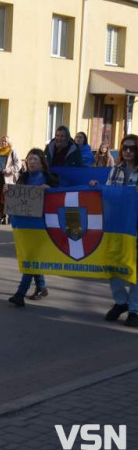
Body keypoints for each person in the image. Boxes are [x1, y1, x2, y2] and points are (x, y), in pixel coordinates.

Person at [90, 134, 138, 327]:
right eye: (125, 147)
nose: (127, 151)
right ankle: (121, 301)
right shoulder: (115, 170)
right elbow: (109, 194)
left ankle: (134, 308)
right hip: (116, 224)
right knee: (111, 264)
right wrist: (97, 189)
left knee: (135, 267)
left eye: (132, 148)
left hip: (135, 225)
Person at [6, 149, 58, 306]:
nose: (31, 162)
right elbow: (17, 199)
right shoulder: (24, 177)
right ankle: (41, 287)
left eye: (34, 159)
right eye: (29, 159)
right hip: (25, 225)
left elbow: (60, 197)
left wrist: (50, 190)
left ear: (42, 162)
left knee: (30, 258)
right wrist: (9, 192)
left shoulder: (50, 179)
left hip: (42, 226)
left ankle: (20, 293)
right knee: (32, 258)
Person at [0, 135, 21, 225]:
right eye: (2, 141)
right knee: (0, 198)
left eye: (5, 141)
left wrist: (9, 169)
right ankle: (2, 217)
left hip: (9, 179)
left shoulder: (12, 151)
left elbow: (18, 165)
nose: (3, 143)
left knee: (8, 198)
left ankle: (11, 217)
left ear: (9, 142)